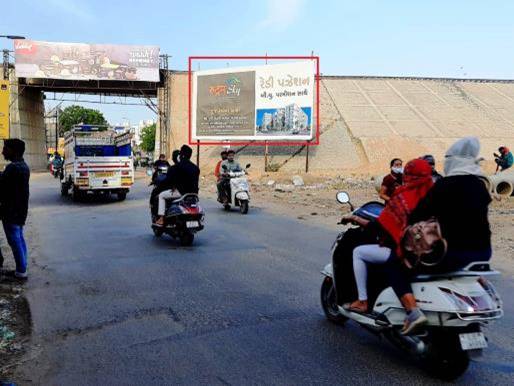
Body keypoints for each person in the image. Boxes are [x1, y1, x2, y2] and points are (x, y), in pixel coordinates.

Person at [387, 137, 492, 334]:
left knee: (395, 263)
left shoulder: (445, 186)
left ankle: (412, 312)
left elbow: (419, 215)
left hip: (451, 254)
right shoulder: (480, 185)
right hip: (483, 254)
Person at [342, 159, 434, 315]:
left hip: (405, 253)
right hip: (431, 254)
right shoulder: (436, 197)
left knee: (358, 252)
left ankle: (362, 301)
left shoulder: (402, 197)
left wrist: (355, 219)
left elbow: (379, 227)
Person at [0, 139, 30, 280]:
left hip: (11, 211)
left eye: (5, 149)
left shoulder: (13, 168)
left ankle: (21, 271)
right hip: (20, 210)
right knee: (19, 238)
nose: (3, 152)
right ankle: (22, 268)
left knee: (14, 240)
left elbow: (2, 185)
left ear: (13, 151)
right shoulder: (23, 166)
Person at [154, 145, 199, 226]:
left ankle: (161, 218)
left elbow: (167, 181)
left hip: (181, 193)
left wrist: (160, 187)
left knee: (161, 195)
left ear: (181, 155)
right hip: (194, 194)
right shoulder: (195, 168)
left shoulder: (176, 167)